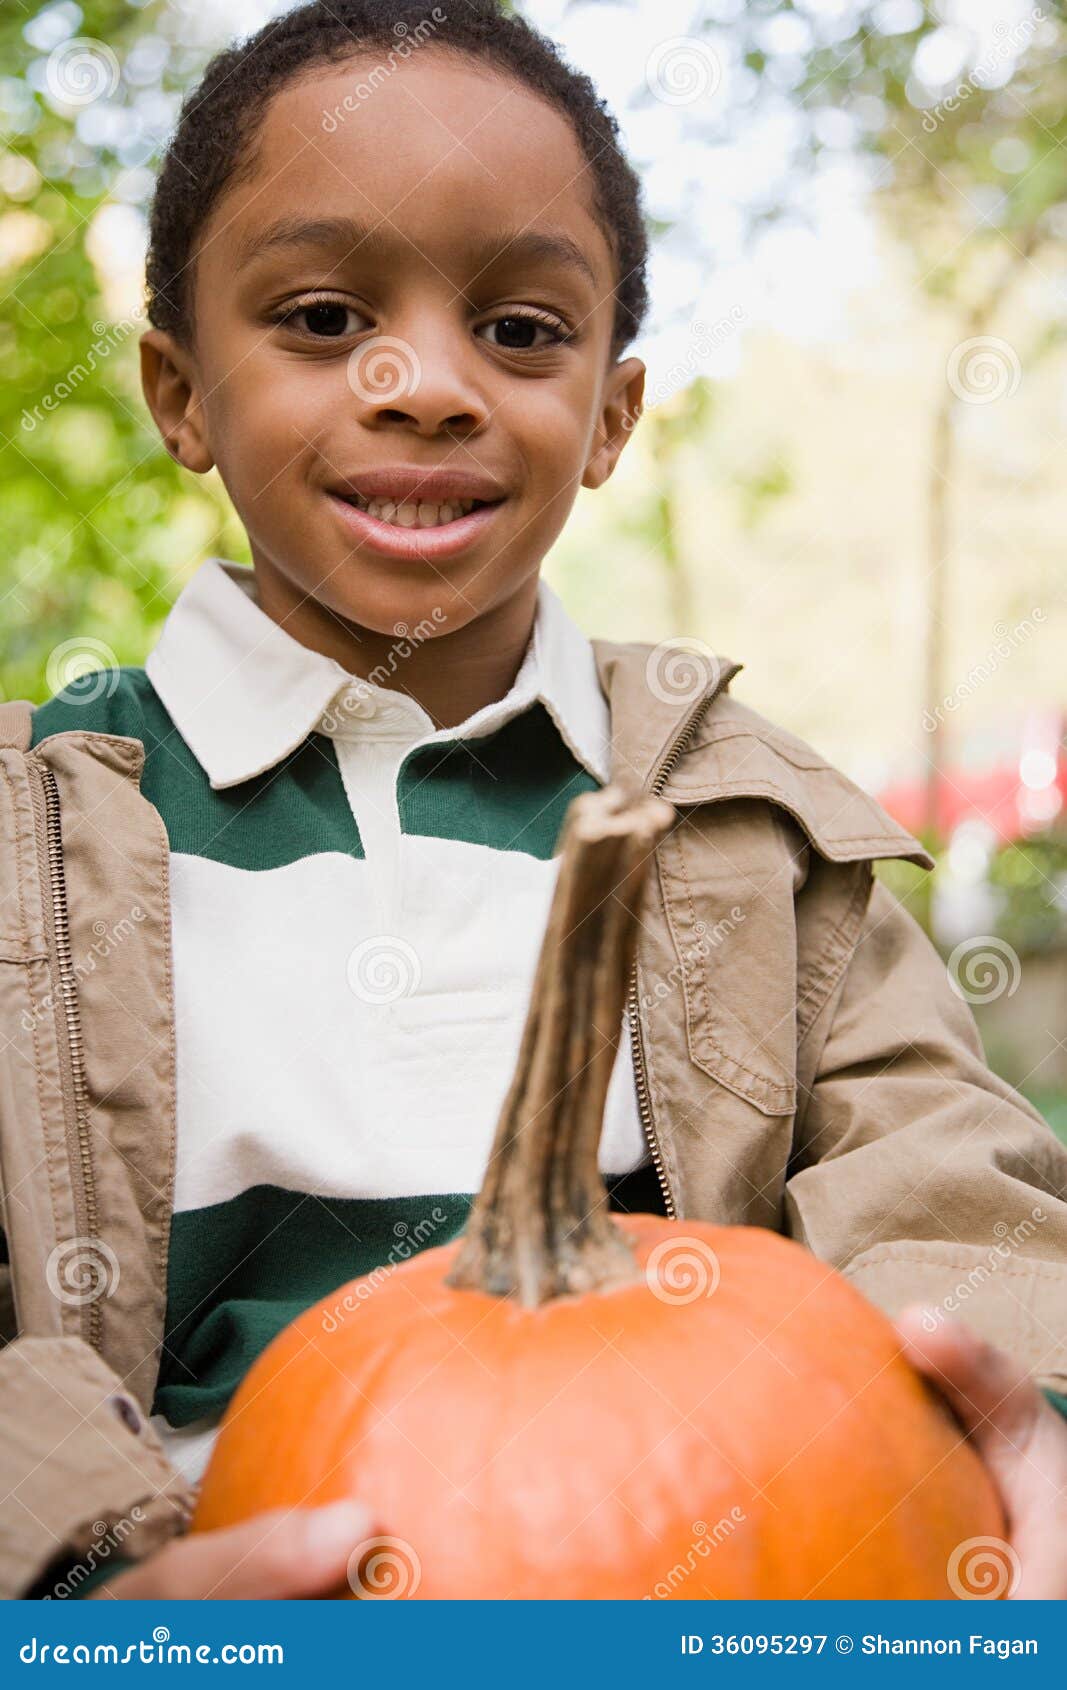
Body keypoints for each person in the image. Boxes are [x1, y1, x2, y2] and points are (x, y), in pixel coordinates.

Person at [2, 0, 1065, 1603]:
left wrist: (1011, 1424)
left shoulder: (752, 831)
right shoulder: (36, 842)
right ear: (180, 393)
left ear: (611, 420)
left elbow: (948, 1195)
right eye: (318, 312)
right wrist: (80, 1585)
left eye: (519, 330)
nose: (425, 382)